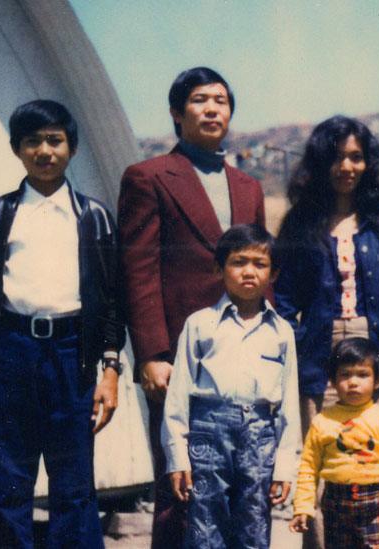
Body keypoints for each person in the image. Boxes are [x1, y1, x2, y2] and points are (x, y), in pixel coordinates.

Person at [0, 99, 124, 547]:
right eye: (33, 141)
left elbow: (111, 302)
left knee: (73, 482)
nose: (45, 151)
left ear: (72, 148)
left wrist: (110, 369)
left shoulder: (94, 218)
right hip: (11, 353)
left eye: (55, 140)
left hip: (74, 356)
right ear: (17, 149)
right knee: (8, 478)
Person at [117, 66, 266, 547]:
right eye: (200, 100)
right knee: (180, 488)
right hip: (181, 357)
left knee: (241, 488)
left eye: (221, 101)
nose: (212, 109)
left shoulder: (248, 186)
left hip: (243, 353)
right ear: (177, 114)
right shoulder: (148, 177)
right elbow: (138, 270)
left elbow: (261, 270)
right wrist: (151, 354)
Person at [274, 115, 379, 548]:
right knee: (323, 467)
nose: (347, 167)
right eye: (337, 157)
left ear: (369, 164)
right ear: (320, 165)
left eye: (356, 157)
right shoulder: (300, 225)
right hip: (319, 357)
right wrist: (290, 359)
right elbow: (285, 301)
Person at [161, 224, 299, 548]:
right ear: (218, 269)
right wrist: (177, 457)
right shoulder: (199, 324)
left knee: (253, 523)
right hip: (208, 431)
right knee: (205, 524)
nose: (248, 272)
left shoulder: (281, 332)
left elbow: (289, 404)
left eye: (259, 264)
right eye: (238, 262)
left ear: (273, 273)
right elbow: (179, 397)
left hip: (260, 435)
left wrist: (284, 465)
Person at [289, 337, 379, 548]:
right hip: (335, 504)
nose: (353, 382)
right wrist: (303, 507)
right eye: (345, 375)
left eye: (363, 375)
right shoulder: (322, 422)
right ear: (333, 381)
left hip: (376, 503)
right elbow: (308, 468)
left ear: (378, 381)